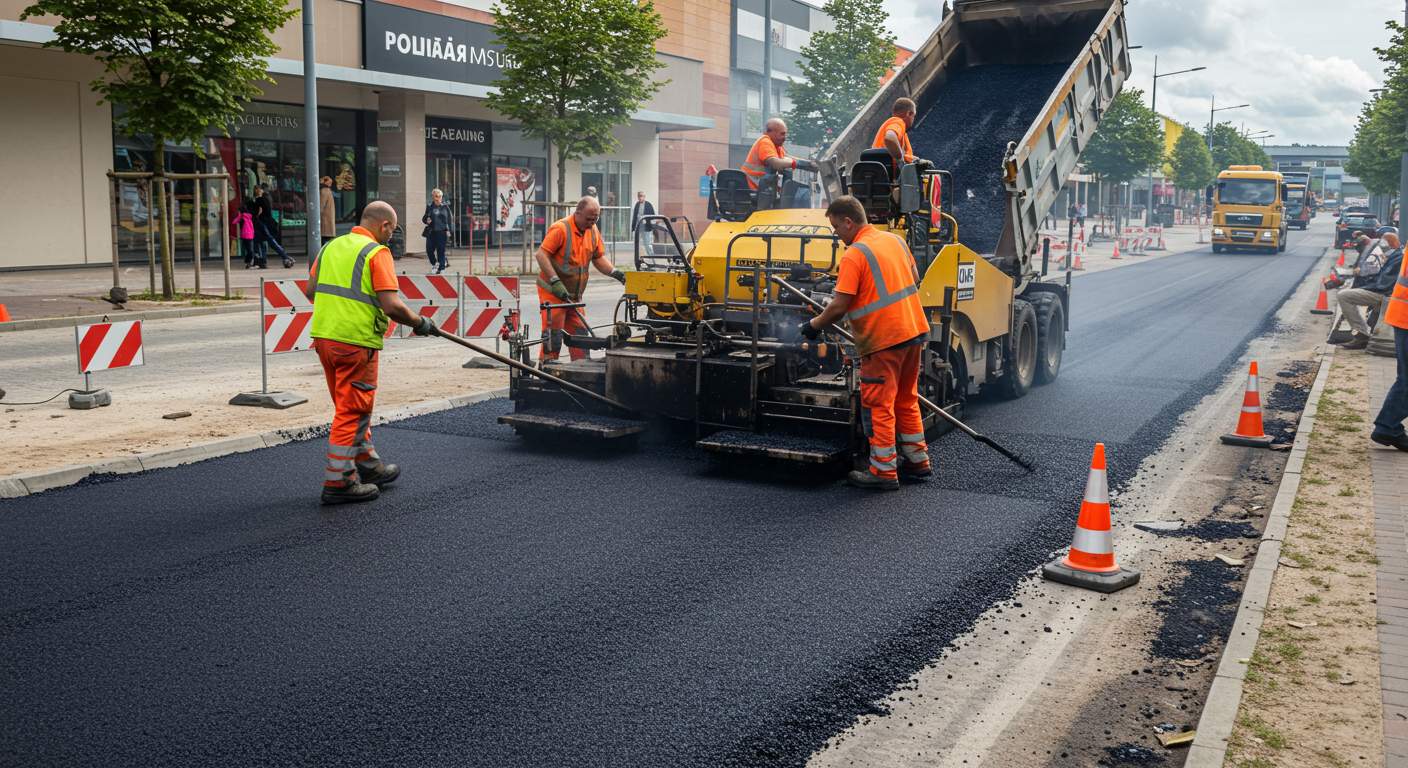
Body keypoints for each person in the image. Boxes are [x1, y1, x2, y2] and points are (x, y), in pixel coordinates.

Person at [303, 201, 437, 505]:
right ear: (384, 225)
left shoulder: (330, 248)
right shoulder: (376, 253)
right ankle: (339, 481)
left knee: (350, 406)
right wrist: (420, 323)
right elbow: (391, 305)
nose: (393, 235)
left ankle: (368, 465)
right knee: (351, 410)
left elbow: (311, 291)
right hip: (355, 342)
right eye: (394, 228)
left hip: (325, 338)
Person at [801, 195, 931, 490]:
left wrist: (812, 326)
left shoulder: (854, 255)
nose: (836, 234)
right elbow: (914, 277)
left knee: (879, 404)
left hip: (883, 340)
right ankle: (917, 461)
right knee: (906, 398)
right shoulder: (894, 241)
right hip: (913, 331)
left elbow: (838, 306)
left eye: (836, 227)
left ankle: (883, 472)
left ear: (849, 222)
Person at [534, 196, 627, 361]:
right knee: (554, 336)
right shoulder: (560, 229)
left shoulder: (593, 231)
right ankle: (547, 371)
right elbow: (541, 254)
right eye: (589, 219)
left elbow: (598, 258)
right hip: (553, 293)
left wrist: (616, 273)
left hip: (574, 297)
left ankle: (580, 370)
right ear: (577, 213)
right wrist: (555, 281)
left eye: (595, 219)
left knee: (581, 336)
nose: (592, 222)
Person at [1339, 232, 1403, 350]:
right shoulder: (1393, 256)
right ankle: (1362, 333)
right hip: (1385, 293)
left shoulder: (1398, 258)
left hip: (1384, 294)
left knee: (1344, 296)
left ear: (1391, 244)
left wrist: (1365, 286)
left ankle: (1362, 334)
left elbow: (1383, 283)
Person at [740, 118, 816, 192]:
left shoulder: (776, 146)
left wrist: (809, 164)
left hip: (762, 190)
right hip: (752, 190)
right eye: (782, 134)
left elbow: (785, 157)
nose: (784, 138)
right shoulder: (765, 141)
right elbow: (776, 163)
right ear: (770, 132)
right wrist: (794, 163)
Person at [872, 97, 917, 171]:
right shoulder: (898, 122)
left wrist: (913, 159)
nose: (913, 119)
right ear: (909, 113)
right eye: (913, 116)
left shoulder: (893, 125)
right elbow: (890, 138)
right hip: (886, 172)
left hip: (879, 171)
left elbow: (891, 151)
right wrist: (900, 160)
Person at [252, 186, 290, 268]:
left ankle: (284, 257)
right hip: (268, 222)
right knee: (266, 242)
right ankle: (264, 261)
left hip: (262, 223)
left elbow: (259, 211)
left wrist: (256, 216)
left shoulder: (259, 200)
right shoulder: (267, 198)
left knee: (265, 242)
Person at [422, 188, 451, 274]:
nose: (437, 198)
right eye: (435, 196)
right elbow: (424, 218)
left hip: (442, 232)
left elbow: (450, 220)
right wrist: (426, 220)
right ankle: (435, 264)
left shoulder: (445, 207)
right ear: (433, 197)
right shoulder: (429, 206)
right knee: (429, 250)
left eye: (439, 196)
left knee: (440, 250)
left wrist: (450, 231)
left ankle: (441, 268)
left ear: (441, 197)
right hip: (431, 232)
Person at [234, 200, 257, 268]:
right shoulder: (250, 216)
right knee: (250, 250)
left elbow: (234, 222)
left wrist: (239, 215)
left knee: (249, 250)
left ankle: (248, 262)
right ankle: (249, 263)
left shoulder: (242, 217)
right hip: (250, 235)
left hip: (245, 236)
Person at [319, 176, 336, 247]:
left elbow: (321, 206)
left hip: (325, 218)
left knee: (324, 237)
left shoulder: (324, 191)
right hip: (328, 217)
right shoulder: (328, 190)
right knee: (328, 238)